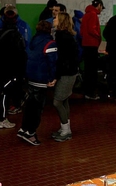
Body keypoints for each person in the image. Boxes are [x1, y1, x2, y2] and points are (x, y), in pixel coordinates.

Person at [17, 20, 57, 145]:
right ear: (50, 30)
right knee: (37, 108)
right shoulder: (50, 44)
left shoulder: (32, 42)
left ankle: (24, 128)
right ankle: (30, 132)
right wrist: (53, 78)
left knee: (30, 105)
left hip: (31, 77)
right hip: (42, 79)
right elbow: (53, 63)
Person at [0, 6, 28, 128]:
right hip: (9, 71)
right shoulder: (16, 36)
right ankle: (1, 119)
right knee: (5, 94)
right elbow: (20, 56)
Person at [51, 12, 79, 142]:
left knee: (57, 101)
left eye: (56, 18)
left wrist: (55, 76)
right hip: (71, 72)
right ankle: (65, 128)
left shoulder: (61, 37)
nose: (54, 19)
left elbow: (61, 60)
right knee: (64, 100)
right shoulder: (68, 36)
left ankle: (66, 131)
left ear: (61, 21)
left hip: (66, 74)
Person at [80, 0, 104, 100]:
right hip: (92, 45)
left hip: (85, 44)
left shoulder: (86, 15)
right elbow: (92, 29)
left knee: (88, 69)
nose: (101, 10)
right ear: (99, 5)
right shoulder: (93, 14)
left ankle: (87, 92)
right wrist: (99, 37)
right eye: (101, 7)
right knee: (92, 71)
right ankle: (91, 93)